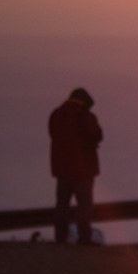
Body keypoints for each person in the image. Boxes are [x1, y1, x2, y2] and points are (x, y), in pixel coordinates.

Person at [49, 88, 103, 244]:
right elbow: (97, 136)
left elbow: (52, 134)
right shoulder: (86, 116)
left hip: (61, 170)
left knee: (61, 207)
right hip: (83, 170)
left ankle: (60, 239)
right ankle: (84, 238)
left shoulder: (56, 115)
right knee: (84, 207)